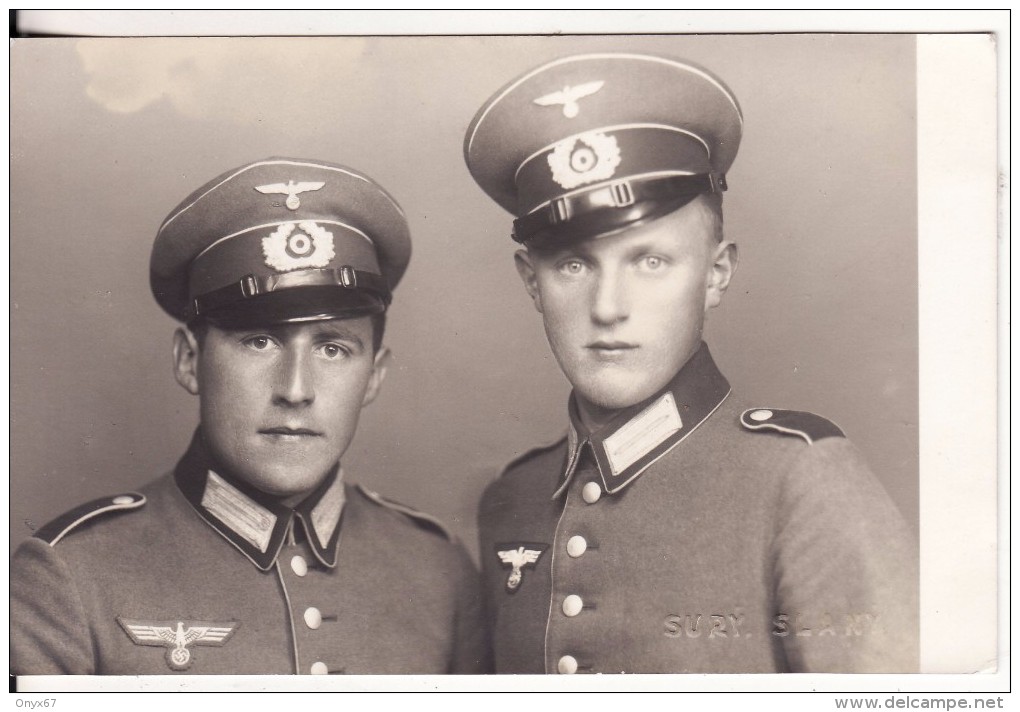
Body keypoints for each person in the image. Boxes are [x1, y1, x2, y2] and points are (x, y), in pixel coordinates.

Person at [464, 54, 918, 674]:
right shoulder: (512, 500)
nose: (608, 308)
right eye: (573, 264)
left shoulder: (801, 479)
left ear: (716, 274)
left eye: (650, 261)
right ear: (532, 282)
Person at [10, 157, 490, 675]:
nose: (296, 390)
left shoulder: (438, 570)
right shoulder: (70, 575)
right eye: (259, 341)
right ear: (190, 361)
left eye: (333, 349)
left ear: (373, 375)